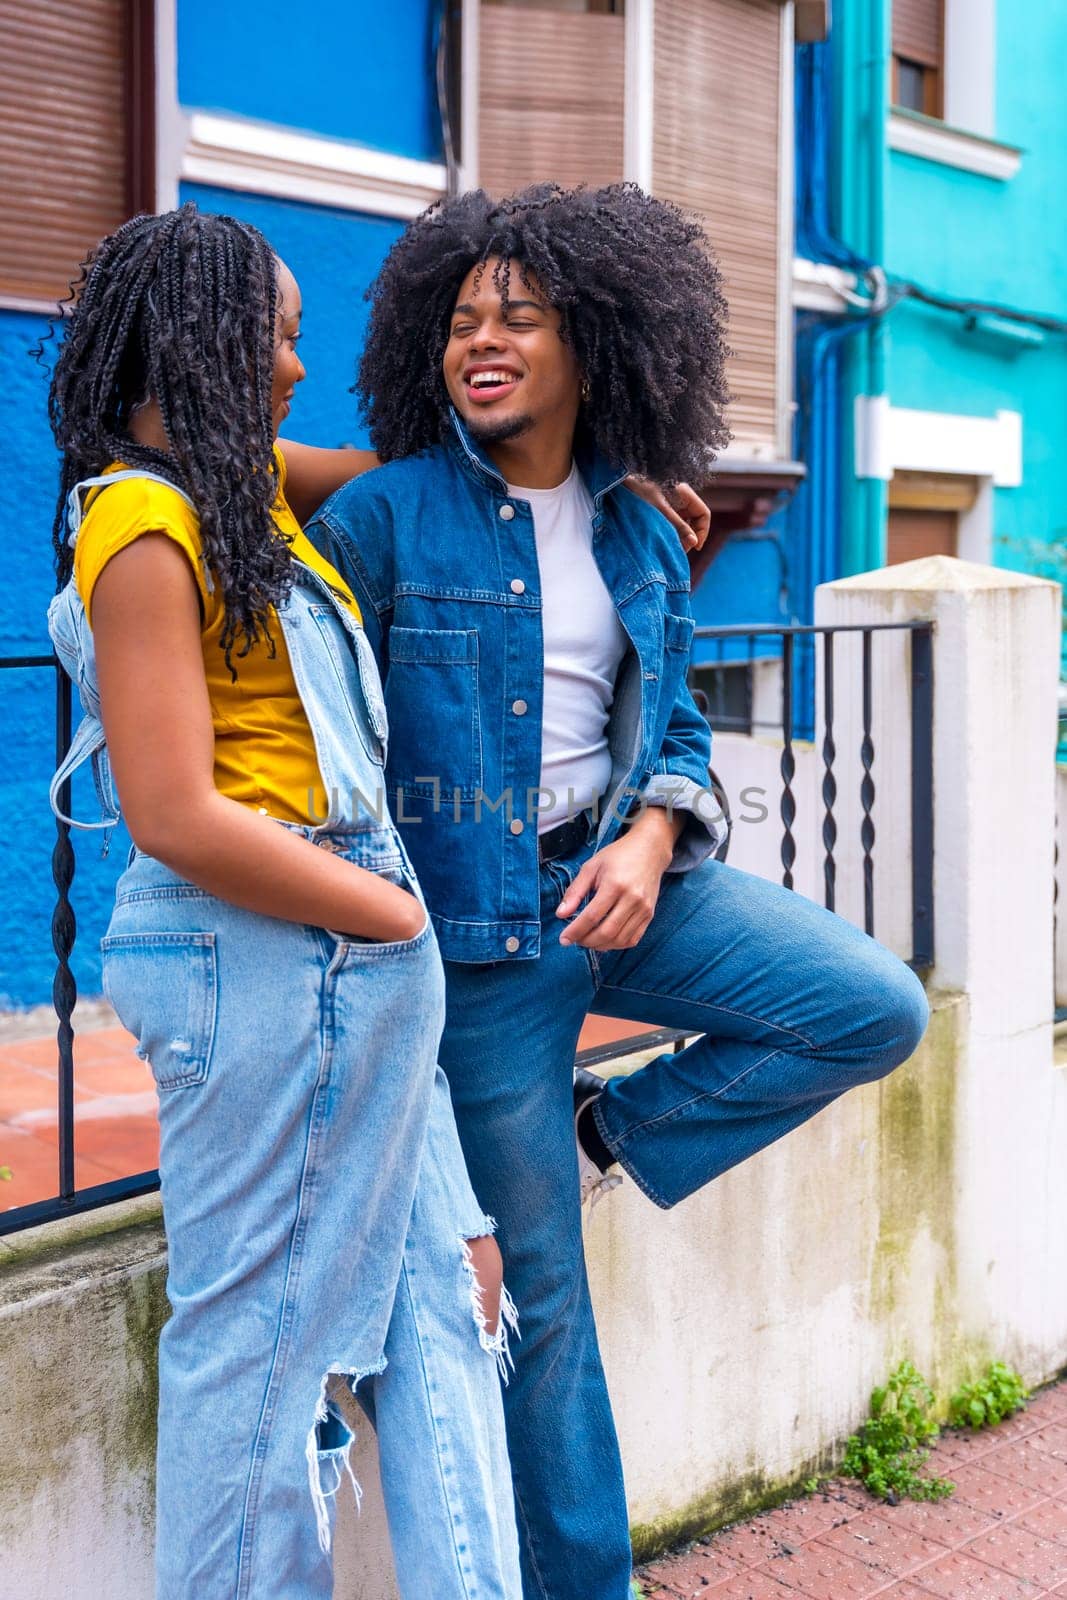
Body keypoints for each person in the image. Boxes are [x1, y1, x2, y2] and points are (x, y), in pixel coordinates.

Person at [306, 183, 932, 1600]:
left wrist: (654, 834)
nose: (485, 337)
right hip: (473, 949)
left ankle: (612, 1132)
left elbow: (683, 732)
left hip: (628, 888)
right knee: (542, 1314)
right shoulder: (387, 523)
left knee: (870, 1007)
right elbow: (325, 749)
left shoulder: (643, 530)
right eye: (463, 318)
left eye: (520, 317)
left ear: (594, 344)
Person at [45, 203, 523, 1600]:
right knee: (258, 1349)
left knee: (444, 1292)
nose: (298, 368)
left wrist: (595, 477)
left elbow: (399, 476)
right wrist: (387, 920)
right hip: (285, 943)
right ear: (198, 339)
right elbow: (173, 811)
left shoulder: (239, 494)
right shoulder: (141, 521)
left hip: (340, 946)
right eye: (281, 336)